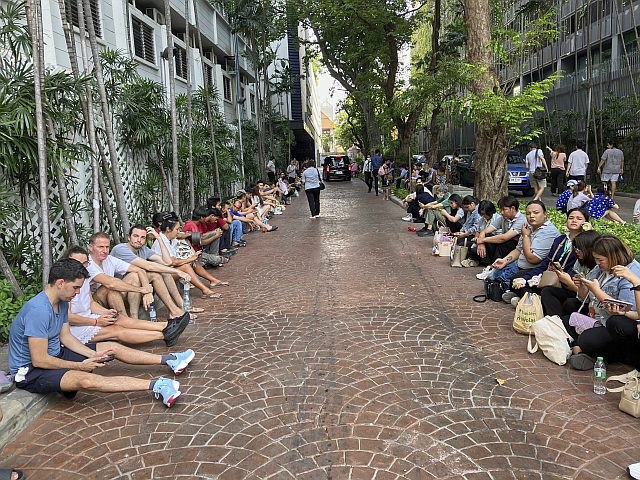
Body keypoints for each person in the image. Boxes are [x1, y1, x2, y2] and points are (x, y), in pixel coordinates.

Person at [8, 259, 193, 407]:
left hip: (56, 354)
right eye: (75, 288)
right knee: (86, 381)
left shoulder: (61, 302)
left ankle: (169, 359)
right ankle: (158, 385)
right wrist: (79, 366)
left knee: (110, 348)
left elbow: (66, 337)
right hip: (31, 371)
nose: (77, 293)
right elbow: (39, 360)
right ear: (60, 283)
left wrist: (92, 355)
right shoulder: (39, 311)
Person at [66, 246, 189, 347]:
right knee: (116, 330)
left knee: (121, 319)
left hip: (89, 317)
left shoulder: (84, 279)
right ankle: (165, 334)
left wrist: (106, 312)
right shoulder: (65, 285)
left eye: (84, 263)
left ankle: (167, 325)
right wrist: (96, 321)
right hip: (76, 327)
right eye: (77, 263)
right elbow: (68, 317)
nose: (81, 267)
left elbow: (91, 304)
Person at [566, 235, 640, 370]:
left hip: (612, 324)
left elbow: (627, 313)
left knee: (588, 338)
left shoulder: (631, 273)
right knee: (566, 317)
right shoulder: (599, 269)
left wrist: (597, 291)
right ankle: (588, 352)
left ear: (612, 256)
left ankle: (595, 354)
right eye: (595, 259)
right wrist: (582, 286)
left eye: (600, 260)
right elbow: (585, 299)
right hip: (596, 317)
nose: (597, 263)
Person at [110, 225, 194, 321]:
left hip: (137, 290)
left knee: (163, 272)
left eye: (142, 237)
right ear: (129, 237)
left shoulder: (143, 249)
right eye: (136, 236)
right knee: (138, 275)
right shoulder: (120, 249)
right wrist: (177, 271)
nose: (139, 240)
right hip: (119, 293)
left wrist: (159, 238)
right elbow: (148, 266)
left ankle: (180, 307)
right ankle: (136, 319)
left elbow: (167, 262)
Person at [507, 208, 588, 306]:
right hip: (551, 276)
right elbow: (547, 262)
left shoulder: (586, 243)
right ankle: (533, 302)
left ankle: (531, 302)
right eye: (571, 218)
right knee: (518, 278)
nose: (574, 220)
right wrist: (526, 278)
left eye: (579, 219)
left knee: (547, 291)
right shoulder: (560, 239)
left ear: (586, 223)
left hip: (567, 282)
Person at [488, 200, 560, 297]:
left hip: (532, 269)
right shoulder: (528, 227)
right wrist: (504, 261)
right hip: (518, 264)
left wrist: (526, 236)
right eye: (528, 213)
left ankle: (521, 295)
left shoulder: (549, 232)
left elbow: (532, 259)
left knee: (512, 281)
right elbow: (518, 249)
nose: (531, 216)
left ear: (545, 214)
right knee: (492, 275)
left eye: (536, 213)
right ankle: (510, 291)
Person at [152, 216, 226, 297]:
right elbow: (173, 262)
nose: (178, 232)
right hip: (162, 274)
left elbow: (181, 239)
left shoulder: (171, 239)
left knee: (193, 261)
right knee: (186, 266)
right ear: (168, 229)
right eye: (177, 229)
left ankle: (213, 281)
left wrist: (192, 257)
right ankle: (205, 290)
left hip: (170, 269)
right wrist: (191, 258)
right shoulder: (162, 241)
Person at [85, 232, 155, 319]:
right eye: (101, 247)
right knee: (110, 288)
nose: (105, 251)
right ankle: (126, 320)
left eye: (107, 247)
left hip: (112, 296)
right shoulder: (87, 263)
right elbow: (111, 283)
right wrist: (141, 290)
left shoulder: (109, 259)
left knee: (134, 275)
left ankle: (134, 317)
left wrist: (147, 291)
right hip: (95, 303)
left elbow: (139, 270)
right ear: (90, 247)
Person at [541, 230, 600, 317]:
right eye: (575, 248)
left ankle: (561, 321)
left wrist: (570, 284)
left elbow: (590, 297)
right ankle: (555, 319)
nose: (576, 251)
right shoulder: (580, 261)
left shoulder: (598, 267)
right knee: (547, 291)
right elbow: (572, 275)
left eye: (579, 248)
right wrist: (560, 272)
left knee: (570, 303)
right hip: (576, 292)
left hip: (589, 300)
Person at [473, 196, 526, 275]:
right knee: (487, 237)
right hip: (505, 243)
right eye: (501, 210)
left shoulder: (521, 220)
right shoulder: (503, 218)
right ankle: (489, 265)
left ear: (512, 208)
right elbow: (485, 230)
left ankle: (493, 268)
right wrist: (481, 242)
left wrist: (482, 240)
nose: (501, 212)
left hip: (516, 246)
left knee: (504, 244)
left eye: (504, 209)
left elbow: (504, 238)